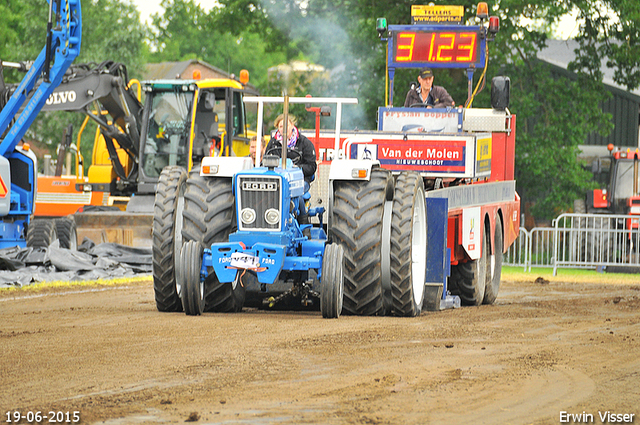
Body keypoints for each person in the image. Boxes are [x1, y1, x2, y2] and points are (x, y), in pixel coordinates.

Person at [264, 114, 317, 187]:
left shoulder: (304, 143)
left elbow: (311, 167)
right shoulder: (273, 143)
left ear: (292, 125)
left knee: (298, 190)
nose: (284, 128)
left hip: (300, 179)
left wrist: (296, 168)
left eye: (286, 125)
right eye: (281, 126)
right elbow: (265, 162)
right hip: (276, 180)